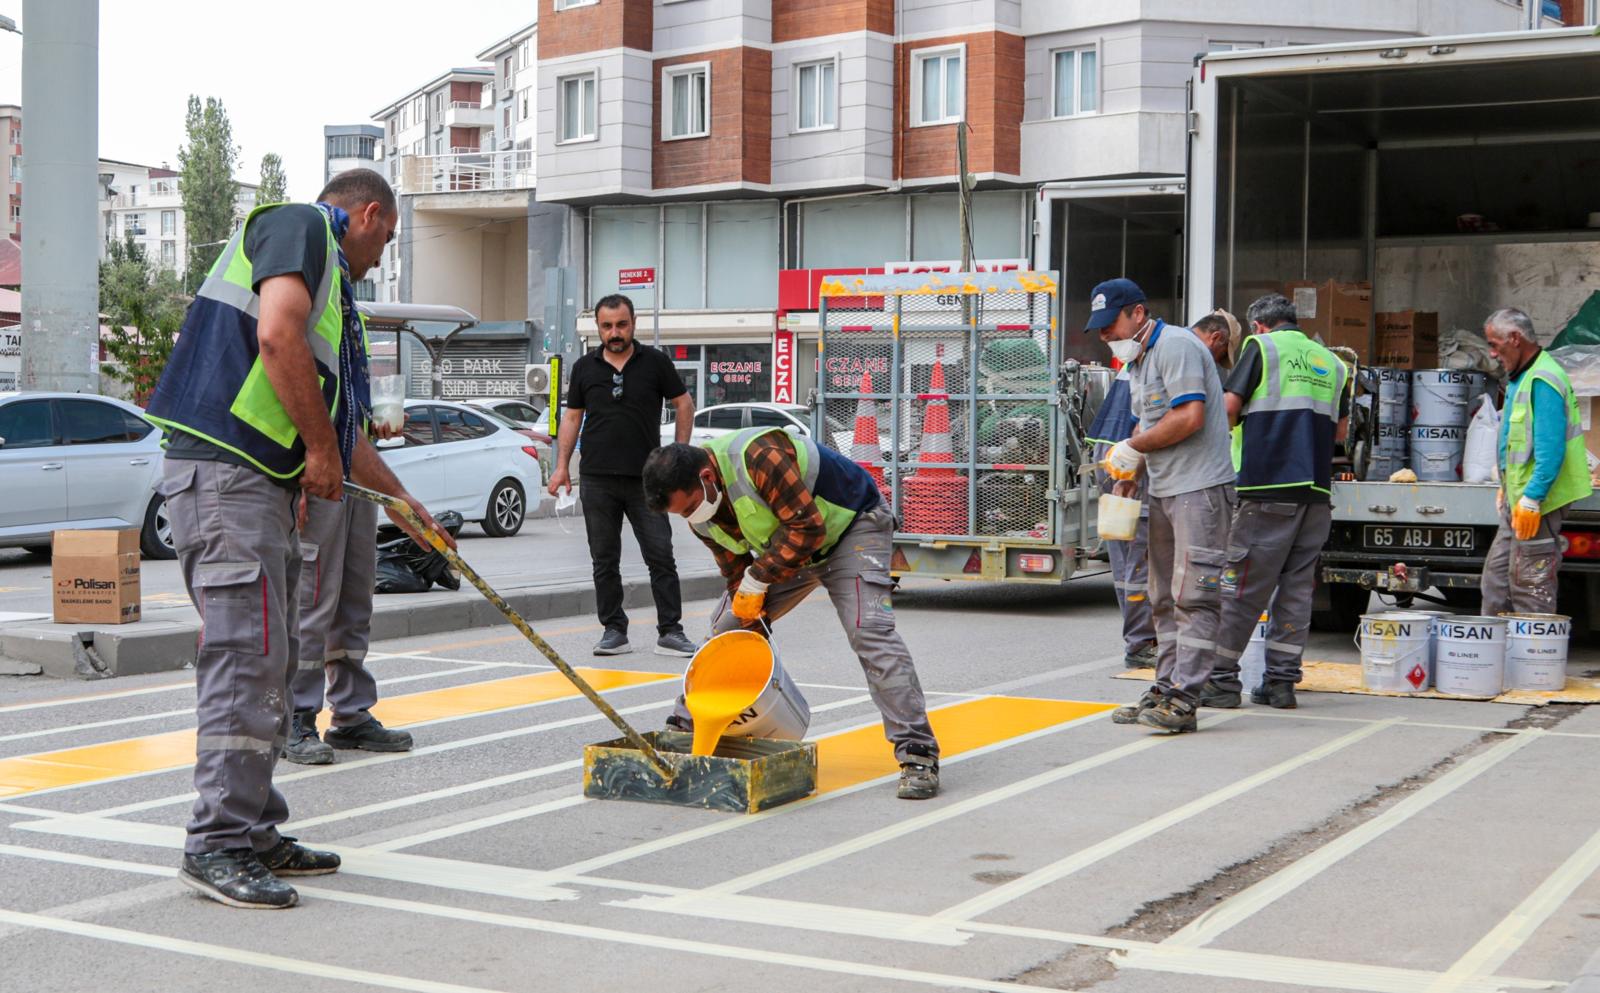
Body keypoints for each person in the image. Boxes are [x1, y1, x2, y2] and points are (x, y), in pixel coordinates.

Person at [145, 168, 451, 909]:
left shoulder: (327, 285)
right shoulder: (304, 227)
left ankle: (251, 829)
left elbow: (339, 433)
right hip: (226, 479)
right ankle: (215, 841)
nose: (382, 256)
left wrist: (401, 499)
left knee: (273, 662)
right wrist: (317, 451)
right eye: (387, 238)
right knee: (248, 660)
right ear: (369, 214)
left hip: (252, 485)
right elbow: (276, 335)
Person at [641, 430, 942, 799]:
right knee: (727, 628)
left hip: (852, 528)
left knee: (869, 632)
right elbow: (736, 573)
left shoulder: (757, 456)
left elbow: (809, 528)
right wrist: (746, 617)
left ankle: (917, 753)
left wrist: (758, 578)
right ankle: (684, 728)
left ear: (705, 477)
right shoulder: (701, 515)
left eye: (688, 507)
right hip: (791, 550)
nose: (689, 517)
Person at [1094, 278, 1237, 734]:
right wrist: (1131, 476)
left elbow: (1188, 417)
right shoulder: (1141, 361)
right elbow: (1149, 419)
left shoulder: (1177, 347)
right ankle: (1165, 686)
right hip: (1164, 487)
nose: (1105, 337)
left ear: (1138, 313)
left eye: (1110, 325)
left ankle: (1185, 697)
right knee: (1161, 597)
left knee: (1194, 594)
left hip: (1199, 489)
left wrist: (1132, 448)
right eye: (1099, 329)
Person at [1206, 293, 1348, 710]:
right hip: (1316, 496)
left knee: (1242, 590)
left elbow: (1228, 409)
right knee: (1296, 593)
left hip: (1267, 488)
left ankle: (1221, 680)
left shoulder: (1261, 348)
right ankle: (1282, 684)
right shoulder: (1333, 363)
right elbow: (1339, 433)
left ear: (1259, 326)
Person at [547, 294, 699, 658]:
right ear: (598, 327)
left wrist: (679, 456)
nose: (614, 332)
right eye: (607, 326)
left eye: (621, 324)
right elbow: (572, 417)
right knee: (604, 558)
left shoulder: (656, 363)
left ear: (633, 324)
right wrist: (562, 465)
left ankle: (671, 631)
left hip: (649, 480)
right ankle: (614, 630)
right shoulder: (585, 367)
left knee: (660, 554)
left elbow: (684, 405)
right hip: (597, 479)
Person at [282, 493, 412, 764]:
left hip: (355, 476)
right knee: (311, 604)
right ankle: (295, 717)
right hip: (315, 475)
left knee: (354, 600)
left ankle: (351, 714)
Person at [1482, 307, 1592, 616]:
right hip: (1517, 502)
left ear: (1515, 338)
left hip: (1537, 504)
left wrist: (1532, 497)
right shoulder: (1522, 376)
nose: (1492, 353)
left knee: (1530, 585)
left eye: (1495, 344)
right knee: (1497, 582)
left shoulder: (1542, 379)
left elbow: (1550, 451)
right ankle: (1495, 656)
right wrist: (1507, 488)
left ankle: (1534, 659)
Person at [1085, 365, 1156, 669]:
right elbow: (1144, 427)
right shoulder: (1165, 361)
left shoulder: (1138, 363)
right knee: (1138, 559)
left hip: (1110, 454)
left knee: (1126, 559)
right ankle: (1140, 643)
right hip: (1130, 458)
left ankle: (1141, 639)